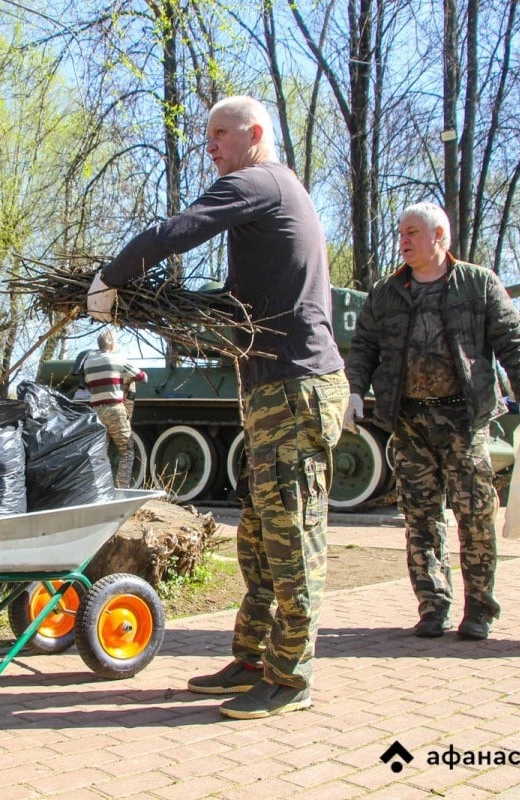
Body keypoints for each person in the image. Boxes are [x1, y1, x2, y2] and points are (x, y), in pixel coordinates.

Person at [87, 96, 347, 720]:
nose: (210, 146)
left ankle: (291, 678)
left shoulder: (261, 181)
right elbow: (236, 306)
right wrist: (156, 311)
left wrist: (113, 276)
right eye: (207, 137)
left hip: (296, 388)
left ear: (255, 134)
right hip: (268, 389)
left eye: (219, 134)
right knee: (259, 535)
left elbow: (179, 230)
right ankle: (254, 659)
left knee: (291, 538)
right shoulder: (267, 198)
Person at [343, 201, 520, 641]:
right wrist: (355, 389)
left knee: (475, 515)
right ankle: (433, 606)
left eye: (413, 232)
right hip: (409, 422)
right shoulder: (386, 292)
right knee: (421, 519)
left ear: (440, 236)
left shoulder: (477, 285)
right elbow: (363, 347)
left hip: (463, 419)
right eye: (401, 232)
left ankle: (480, 610)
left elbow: (512, 342)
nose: (404, 240)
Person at [82, 330, 147, 488]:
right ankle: (122, 489)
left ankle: (100, 489)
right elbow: (142, 377)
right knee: (127, 450)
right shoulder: (117, 359)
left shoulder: (88, 363)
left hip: (96, 411)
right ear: (110, 343)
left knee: (100, 453)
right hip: (114, 409)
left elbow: (89, 386)